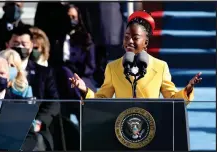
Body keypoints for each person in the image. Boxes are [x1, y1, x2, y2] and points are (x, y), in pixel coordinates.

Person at [69, 11, 202, 104]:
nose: (130, 41)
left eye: (135, 38)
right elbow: (102, 98)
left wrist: (188, 89)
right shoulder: (113, 67)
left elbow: (172, 97)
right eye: (126, 37)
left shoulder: (160, 67)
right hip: (122, 126)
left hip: (151, 126)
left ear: (146, 42)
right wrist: (84, 89)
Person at [0, 56, 45, 151]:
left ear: (8, 76)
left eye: (2, 73)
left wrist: (20, 149)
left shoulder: (19, 102)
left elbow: (29, 136)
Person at [6, 26, 60, 150]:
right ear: (8, 44)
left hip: (35, 130)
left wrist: (39, 122)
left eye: (24, 44)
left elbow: (53, 102)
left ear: (31, 46)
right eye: (15, 43)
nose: (20, 47)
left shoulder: (44, 73)